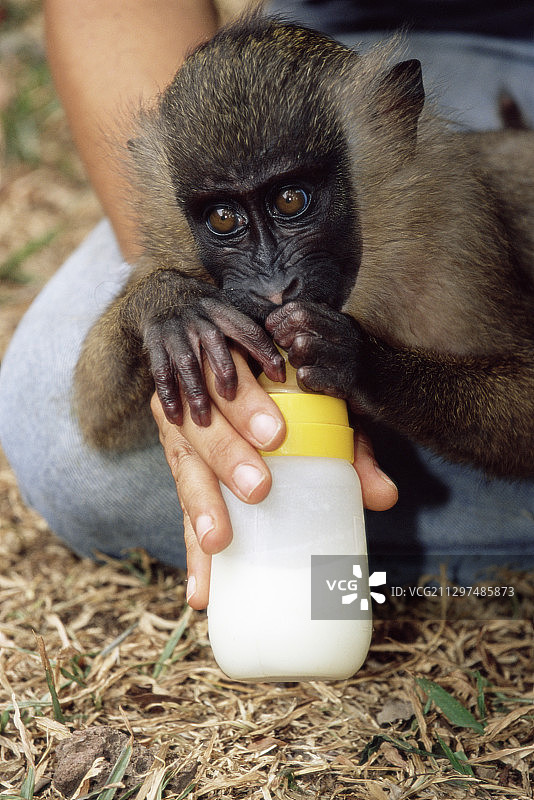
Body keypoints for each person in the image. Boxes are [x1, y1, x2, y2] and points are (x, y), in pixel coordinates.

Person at [0, 1, 532, 611]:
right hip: (331, 40)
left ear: (393, 121)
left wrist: (379, 374)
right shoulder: (185, 223)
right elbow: (102, 419)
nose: (275, 286)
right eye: (226, 220)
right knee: (60, 449)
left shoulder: (436, 209)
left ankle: (342, 563)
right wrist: (153, 307)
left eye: (292, 204)